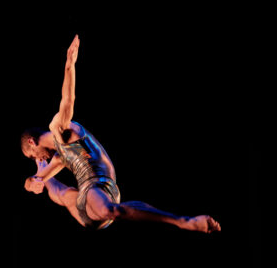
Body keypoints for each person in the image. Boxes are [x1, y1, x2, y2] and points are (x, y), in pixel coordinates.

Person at [21, 35, 221, 233]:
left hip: (98, 194)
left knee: (97, 205)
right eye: (35, 159)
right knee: (58, 192)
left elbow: (68, 100)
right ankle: (182, 222)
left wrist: (69, 66)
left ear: (32, 142)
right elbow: (32, 181)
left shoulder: (59, 129)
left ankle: (184, 222)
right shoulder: (59, 158)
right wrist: (33, 184)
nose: (38, 157)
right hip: (90, 202)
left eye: (33, 155)